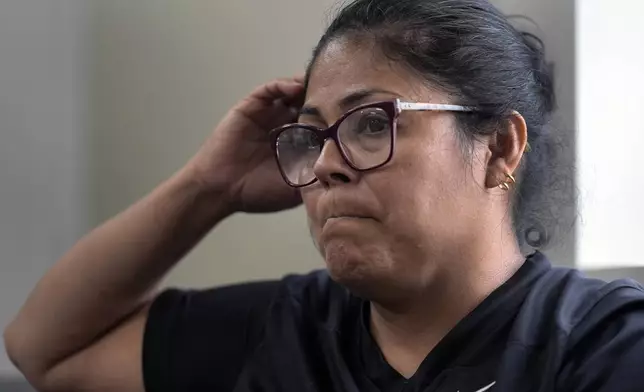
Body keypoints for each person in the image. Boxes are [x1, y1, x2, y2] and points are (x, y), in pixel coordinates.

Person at [4, 0, 644, 391]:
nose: (328, 164)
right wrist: (210, 186)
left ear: (499, 148)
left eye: (372, 123)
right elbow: (45, 350)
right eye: (310, 137)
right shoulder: (288, 330)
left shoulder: (606, 348)